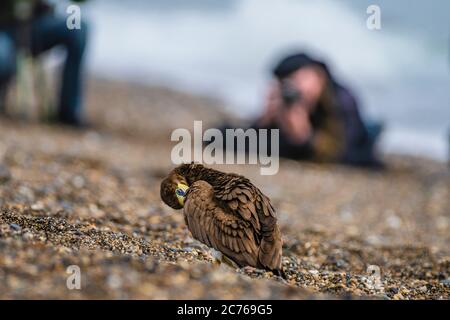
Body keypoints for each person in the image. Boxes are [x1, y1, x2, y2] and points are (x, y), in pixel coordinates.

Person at [250, 52, 383, 167]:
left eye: (298, 80)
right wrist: (265, 120)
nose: (296, 89)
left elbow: (345, 152)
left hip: (360, 137)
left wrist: (305, 137)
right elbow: (255, 143)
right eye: (287, 84)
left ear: (316, 74)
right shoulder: (290, 103)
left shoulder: (342, 100)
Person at [0, 0, 88, 127]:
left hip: (36, 25)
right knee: (3, 58)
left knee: (78, 28)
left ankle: (69, 113)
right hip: (5, 29)